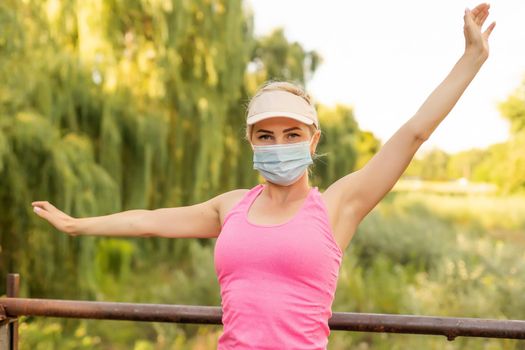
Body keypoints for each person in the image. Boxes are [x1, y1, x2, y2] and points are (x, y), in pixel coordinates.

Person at [32, 4, 495, 349]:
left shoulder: (338, 206)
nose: (278, 145)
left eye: (291, 133)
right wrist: (77, 225)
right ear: (251, 141)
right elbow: (146, 220)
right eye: (265, 135)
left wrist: (471, 59)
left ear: (313, 141)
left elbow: (413, 133)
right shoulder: (230, 206)